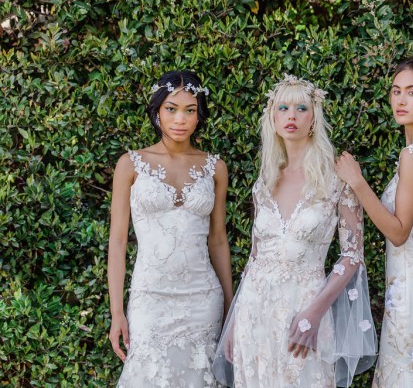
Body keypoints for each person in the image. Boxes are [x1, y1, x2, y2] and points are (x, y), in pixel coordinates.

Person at [212, 74, 377, 387]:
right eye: (283, 108)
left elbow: (352, 255)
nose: (291, 115)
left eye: (301, 108)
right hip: (254, 313)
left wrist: (314, 313)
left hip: (304, 309)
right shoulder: (264, 183)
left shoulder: (337, 177)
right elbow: (254, 258)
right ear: (272, 118)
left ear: (314, 117)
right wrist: (234, 322)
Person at [335, 56, 413, 387]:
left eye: (412, 92)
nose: (401, 100)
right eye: (396, 91)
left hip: (411, 298)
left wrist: (357, 181)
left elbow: (398, 232)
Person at [107, 70, 233, 387]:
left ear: (199, 114)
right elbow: (118, 243)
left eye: (189, 110)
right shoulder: (130, 164)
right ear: (157, 111)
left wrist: (231, 307)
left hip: (203, 299)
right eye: (171, 109)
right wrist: (116, 312)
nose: (180, 119)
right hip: (150, 298)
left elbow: (218, 240)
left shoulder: (215, 167)